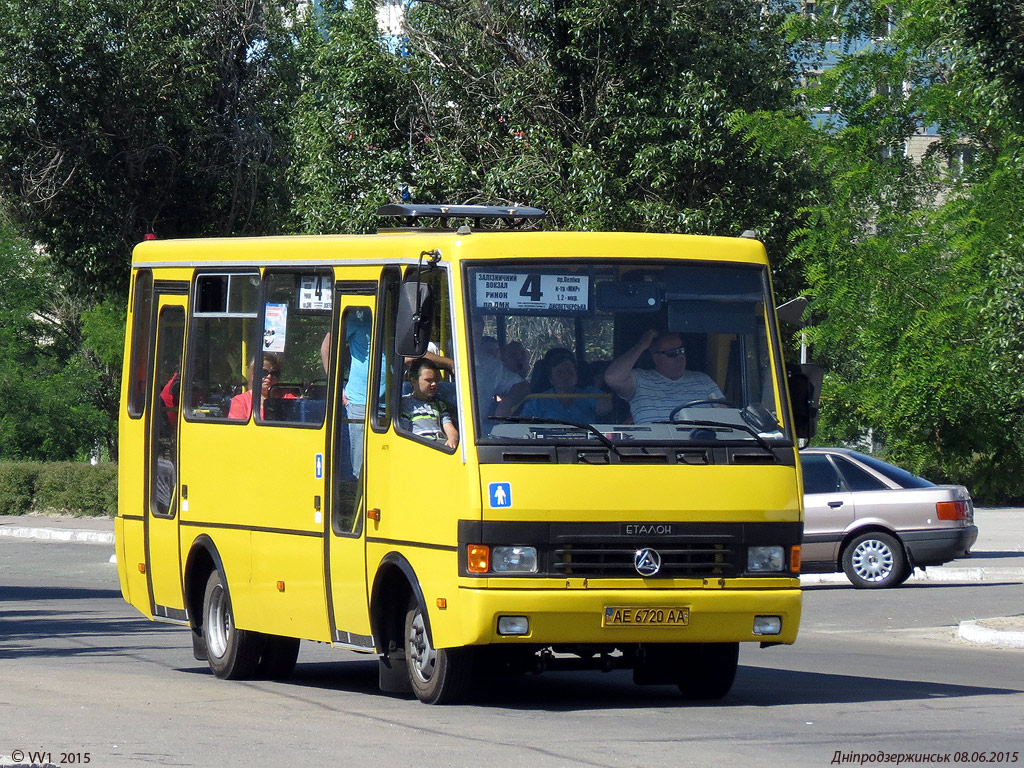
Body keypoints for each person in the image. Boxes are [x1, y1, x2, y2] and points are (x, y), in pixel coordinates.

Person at [604, 330, 724, 423]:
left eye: (682, 350)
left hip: (703, 447)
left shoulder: (703, 380)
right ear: (655, 357)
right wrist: (642, 345)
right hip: (655, 450)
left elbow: (726, 414)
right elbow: (612, 377)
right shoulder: (639, 380)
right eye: (673, 353)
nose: (681, 356)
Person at [520, 348, 610, 422]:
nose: (566, 376)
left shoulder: (589, 394)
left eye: (570, 372)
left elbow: (605, 408)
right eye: (559, 373)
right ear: (551, 379)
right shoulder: (538, 401)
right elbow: (523, 424)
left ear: (577, 375)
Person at [472, 326, 530, 421]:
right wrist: (450, 364)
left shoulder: (492, 367)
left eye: (478, 334)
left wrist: (507, 403)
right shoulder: (455, 361)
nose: (519, 358)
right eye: (513, 355)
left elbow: (522, 386)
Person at [400, 358, 459, 449]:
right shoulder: (406, 404)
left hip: (440, 446)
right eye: (428, 380)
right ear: (413, 381)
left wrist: (452, 439)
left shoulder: (439, 405)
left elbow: (450, 428)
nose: (434, 384)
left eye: (436, 380)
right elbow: (403, 433)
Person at [228, 352, 295, 420]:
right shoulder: (240, 401)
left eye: (274, 373)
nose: (269, 376)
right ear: (253, 375)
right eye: (264, 372)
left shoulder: (288, 398)